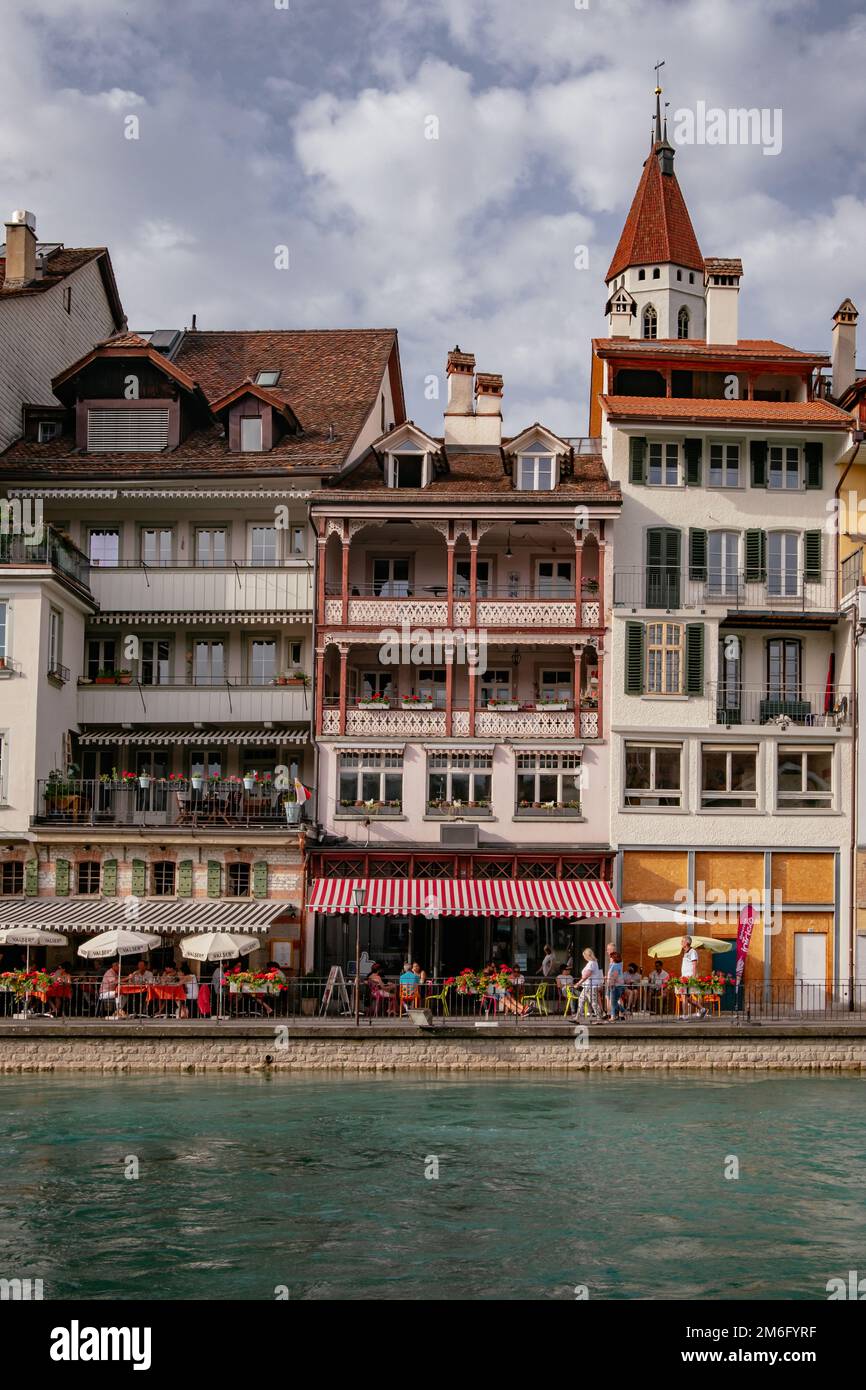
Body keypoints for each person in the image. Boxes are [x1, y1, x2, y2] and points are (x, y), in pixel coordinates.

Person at [679, 936, 707, 1018]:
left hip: (689, 977)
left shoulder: (692, 952)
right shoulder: (685, 952)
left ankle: (685, 1015)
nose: (681, 942)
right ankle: (702, 1009)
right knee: (687, 997)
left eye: (682, 941)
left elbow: (694, 965)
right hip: (684, 977)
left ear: (687, 943)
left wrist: (693, 977)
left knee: (684, 995)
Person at [576, 948, 605, 1021]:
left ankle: (599, 1018)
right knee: (581, 1000)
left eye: (584, 956)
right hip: (588, 986)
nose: (584, 957)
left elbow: (587, 975)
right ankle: (577, 1018)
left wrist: (578, 983)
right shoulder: (593, 962)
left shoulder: (591, 963)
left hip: (590, 986)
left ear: (587, 955)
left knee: (593, 1002)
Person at [605, 945, 626, 1020]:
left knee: (613, 1002)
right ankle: (622, 1011)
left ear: (613, 958)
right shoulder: (616, 965)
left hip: (615, 986)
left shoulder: (615, 966)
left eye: (610, 957)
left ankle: (613, 1016)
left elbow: (614, 976)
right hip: (616, 985)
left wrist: (611, 984)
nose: (609, 958)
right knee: (614, 1002)